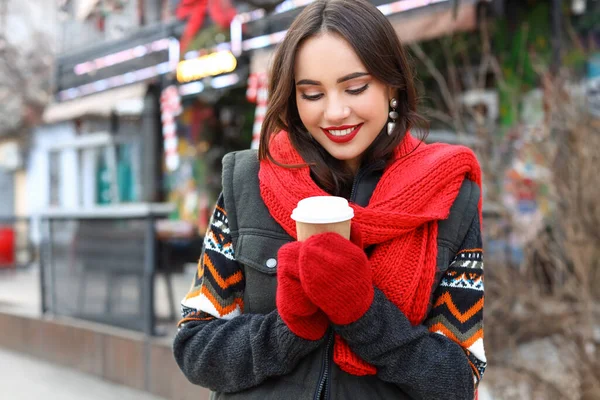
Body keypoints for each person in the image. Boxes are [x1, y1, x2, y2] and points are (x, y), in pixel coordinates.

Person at [173, 0, 486, 399]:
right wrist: (291, 327)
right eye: (312, 94)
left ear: (392, 85)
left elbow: (461, 378)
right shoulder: (249, 183)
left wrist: (364, 313)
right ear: (293, 99)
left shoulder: (449, 195)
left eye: (356, 88)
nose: (335, 112)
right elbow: (196, 350)